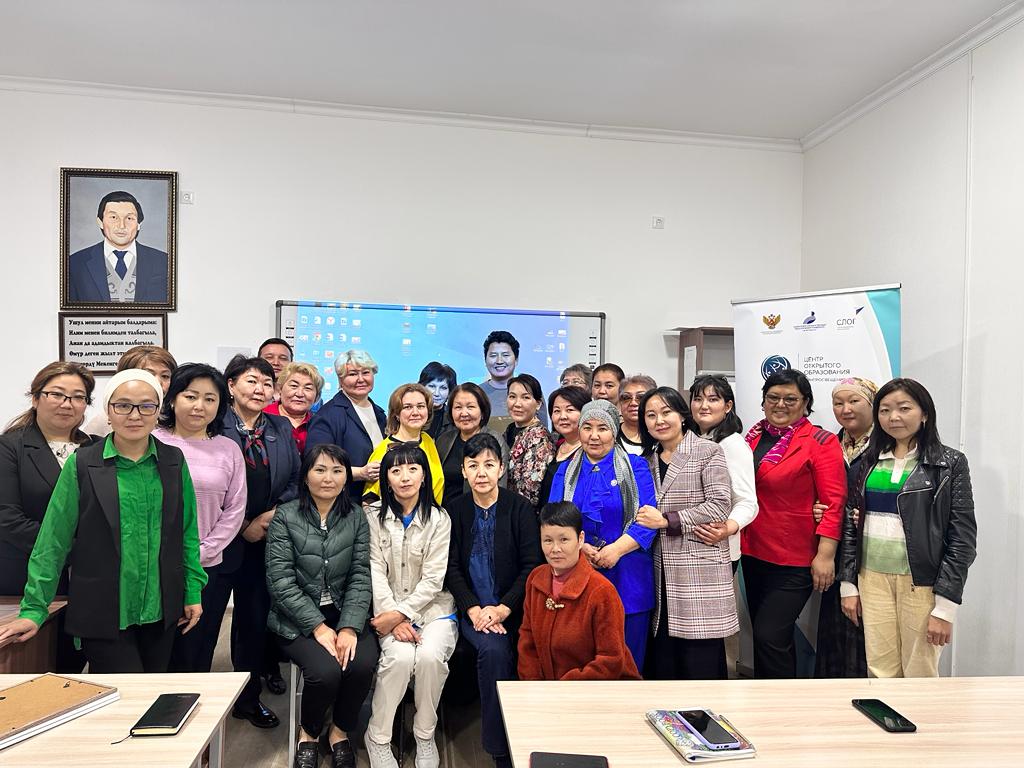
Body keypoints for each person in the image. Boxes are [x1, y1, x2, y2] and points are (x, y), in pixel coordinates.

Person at [0, 370, 206, 672]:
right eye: (123, 405)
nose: (134, 415)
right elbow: (52, 541)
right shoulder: (83, 463)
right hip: (102, 609)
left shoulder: (173, 461)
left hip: (162, 608)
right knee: (125, 693)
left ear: (158, 411)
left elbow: (186, 534)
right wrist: (34, 609)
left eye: (146, 406)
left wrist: (192, 592)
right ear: (108, 411)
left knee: (152, 692)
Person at [840, 378, 977, 678]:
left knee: (919, 673)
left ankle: (922, 714)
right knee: (880, 671)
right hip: (872, 579)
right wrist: (848, 583)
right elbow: (851, 523)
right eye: (885, 410)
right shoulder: (870, 460)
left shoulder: (949, 463)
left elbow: (962, 539)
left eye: (904, 408)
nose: (894, 417)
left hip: (922, 583)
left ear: (924, 413)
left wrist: (945, 607)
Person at [266, 444, 380, 768]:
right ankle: (309, 733)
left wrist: (349, 626)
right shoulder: (286, 516)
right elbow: (280, 582)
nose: (328, 478)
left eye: (337, 470)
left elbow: (361, 574)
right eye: (319, 470)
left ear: (346, 477)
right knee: (325, 673)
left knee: (361, 665)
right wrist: (317, 626)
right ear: (305, 476)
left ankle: (340, 731)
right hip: (296, 618)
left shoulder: (355, 516)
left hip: (345, 612)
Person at [445, 433, 542, 768]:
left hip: (512, 609)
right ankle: (499, 750)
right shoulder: (454, 510)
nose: (481, 472)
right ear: (463, 470)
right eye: (473, 465)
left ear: (501, 468)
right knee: (495, 651)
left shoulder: (520, 509)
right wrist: (473, 608)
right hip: (471, 611)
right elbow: (450, 567)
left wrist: (503, 608)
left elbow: (531, 565)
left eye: (489, 464)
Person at [741, 369, 846, 679]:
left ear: (805, 403)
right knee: (764, 637)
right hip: (753, 551)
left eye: (790, 399)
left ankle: (781, 701)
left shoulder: (820, 442)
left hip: (795, 557)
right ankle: (764, 697)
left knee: (770, 634)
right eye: (773, 397)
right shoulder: (752, 437)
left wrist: (825, 555)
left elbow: (833, 503)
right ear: (763, 401)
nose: (780, 404)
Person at [364, 444, 457, 768]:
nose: (405, 477)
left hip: (434, 610)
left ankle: (424, 735)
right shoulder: (372, 517)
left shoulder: (440, 519)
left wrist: (400, 615)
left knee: (430, 658)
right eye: (396, 470)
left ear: (424, 475)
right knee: (400, 659)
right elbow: (374, 571)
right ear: (386, 479)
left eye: (412, 469)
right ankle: (377, 737)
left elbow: (434, 579)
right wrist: (392, 616)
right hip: (387, 607)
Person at [220, 354, 300, 728]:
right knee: (203, 624)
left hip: (266, 536)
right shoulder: (215, 425)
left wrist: (269, 517)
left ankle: (247, 698)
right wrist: (241, 526)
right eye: (251, 381)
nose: (260, 389)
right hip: (218, 542)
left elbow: (295, 479)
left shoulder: (279, 427)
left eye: (267, 383)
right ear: (232, 385)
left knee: (253, 621)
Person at [0, 361, 96, 672]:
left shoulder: (95, 449)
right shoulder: (9, 447)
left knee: (74, 669)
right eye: (57, 394)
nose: (67, 404)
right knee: (32, 670)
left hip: (88, 585)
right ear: (35, 397)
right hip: (25, 581)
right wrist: (77, 551)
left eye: (78, 397)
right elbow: (7, 518)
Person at [549, 399, 657, 669]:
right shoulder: (565, 470)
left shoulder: (636, 467)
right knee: (582, 659)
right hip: (579, 571)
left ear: (614, 431)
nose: (594, 436)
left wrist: (616, 550)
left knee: (628, 660)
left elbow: (647, 520)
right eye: (587, 428)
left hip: (629, 574)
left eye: (602, 428)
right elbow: (555, 520)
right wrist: (580, 548)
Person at [638, 386, 736, 680]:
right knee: (665, 662)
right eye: (651, 415)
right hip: (660, 572)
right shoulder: (647, 459)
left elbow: (719, 505)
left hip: (699, 571)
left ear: (682, 415)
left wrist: (668, 521)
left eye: (666, 412)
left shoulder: (708, 451)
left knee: (700, 664)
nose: (659, 420)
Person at [154, 363, 246, 673]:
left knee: (196, 648)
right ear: (172, 399)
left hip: (207, 565)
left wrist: (204, 551)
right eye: (190, 396)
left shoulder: (228, 449)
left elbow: (235, 508)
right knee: (156, 648)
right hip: (155, 564)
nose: (199, 406)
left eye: (210, 399)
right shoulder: (152, 441)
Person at [517, 501, 640, 681]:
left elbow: (610, 661)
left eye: (564, 540)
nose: (555, 549)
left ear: (580, 539)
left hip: (598, 690)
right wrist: (534, 685)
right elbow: (527, 642)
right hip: (546, 692)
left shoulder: (602, 591)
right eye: (548, 540)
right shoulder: (536, 579)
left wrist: (562, 690)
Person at [813, 377, 877, 678]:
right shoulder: (830, 445)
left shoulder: (886, 447)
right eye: (838, 403)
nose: (845, 409)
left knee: (866, 626)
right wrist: (815, 506)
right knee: (833, 627)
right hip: (834, 549)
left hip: (872, 552)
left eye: (854, 401)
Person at [687, 375, 758, 571]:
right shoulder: (690, 439)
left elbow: (747, 501)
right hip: (689, 546)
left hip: (718, 546)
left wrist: (728, 527)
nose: (704, 406)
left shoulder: (733, 444)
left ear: (728, 406)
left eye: (713, 399)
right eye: (698, 399)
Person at [307, 350, 387, 501]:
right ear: (340, 379)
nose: (361, 379)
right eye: (352, 374)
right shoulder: (327, 415)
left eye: (366, 372)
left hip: (378, 500)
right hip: (344, 501)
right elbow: (316, 463)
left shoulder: (380, 414)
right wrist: (360, 473)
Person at [67, 190, 169, 304]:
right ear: (100, 222)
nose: (121, 226)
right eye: (113, 217)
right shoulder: (75, 263)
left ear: (139, 224)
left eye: (129, 218)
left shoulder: (164, 261)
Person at [361, 383, 444, 505]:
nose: (415, 412)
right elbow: (369, 501)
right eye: (408, 407)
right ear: (396, 414)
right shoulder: (385, 451)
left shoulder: (427, 440)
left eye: (421, 406)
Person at [435, 382, 508, 508]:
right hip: (444, 513)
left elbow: (500, 487)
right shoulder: (444, 440)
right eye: (458, 407)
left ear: (482, 411)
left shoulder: (495, 440)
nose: (464, 413)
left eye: (470, 407)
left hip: (478, 512)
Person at [82, 345, 178, 436]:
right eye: (148, 375)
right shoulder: (104, 420)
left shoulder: (177, 419)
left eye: (165, 376)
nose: (157, 382)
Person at [503, 374, 554, 508]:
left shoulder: (538, 436)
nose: (517, 404)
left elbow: (531, 490)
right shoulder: (510, 429)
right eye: (512, 397)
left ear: (538, 404)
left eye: (525, 397)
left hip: (523, 513)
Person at [537, 386, 589, 510]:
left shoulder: (590, 452)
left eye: (570, 410)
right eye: (556, 411)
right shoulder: (552, 446)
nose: (562, 416)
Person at [264, 362, 324, 455]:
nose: (300, 394)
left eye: (308, 388)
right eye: (294, 386)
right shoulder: (263, 416)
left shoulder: (320, 424)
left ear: (317, 397)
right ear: (280, 389)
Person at [480, 330, 520, 430]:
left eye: (505, 355)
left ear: (516, 360)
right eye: (493, 356)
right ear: (485, 360)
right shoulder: (476, 393)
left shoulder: (530, 392)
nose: (499, 361)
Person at [617, 374, 657, 455]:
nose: (633, 403)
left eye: (641, 397)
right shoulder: (610, 435)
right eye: (626, 398)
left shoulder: (662, 435)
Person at [419, 361, 457, 440]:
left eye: (443, 388)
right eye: (432, 386)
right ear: (422, 387)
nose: (436, 393)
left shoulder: (454, 418)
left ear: (450, 391)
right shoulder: (410, 414)